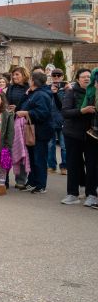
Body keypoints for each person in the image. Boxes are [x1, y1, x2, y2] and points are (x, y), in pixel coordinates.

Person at [17, 71, 55, 194]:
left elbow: (43, 113)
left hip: (40, 132)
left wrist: (27, 113)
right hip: (32, 132)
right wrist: (26, 95)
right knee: (32, 158)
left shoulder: (41, 95)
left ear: (33, 81)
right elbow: (22, 106)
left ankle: (41, 184)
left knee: (39, 159)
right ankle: (32, 182)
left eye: (30, 79)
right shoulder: (33, 93)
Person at [60, 69, 92, 205]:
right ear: (78, 79)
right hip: (73, 134)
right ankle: (72, 194)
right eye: (83, 77)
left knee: (92, 165)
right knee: (73, 164)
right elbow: (65, 112)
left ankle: (91, 193)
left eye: (89, 77)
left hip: (91, 135)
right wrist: (82, 111)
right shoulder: (71, 92)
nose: (86, 79)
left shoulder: (94, 93)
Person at [6, 67, 30, 188]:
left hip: (22, 122)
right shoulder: (10, 87)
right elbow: (5, 101)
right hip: (10, 119)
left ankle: (21, 180)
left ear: (24, 75)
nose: (14, 77)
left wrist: (18, 108)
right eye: (13, 75)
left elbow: (29, 104)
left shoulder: (28, 88)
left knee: (21, 149)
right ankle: (3, 179)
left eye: (17, 74)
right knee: (8, 148)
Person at [78, 68, 98, 208]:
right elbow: (83, 111)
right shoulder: (91, 94)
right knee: (91, 165)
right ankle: (91, 194)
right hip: (92, 135)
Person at [48, 69, 67, 175]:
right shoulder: (48, 89)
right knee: (51, 145)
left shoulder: (67, 89)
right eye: (54, 75)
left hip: (63, 121)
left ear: (62, 76)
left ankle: (64, 166)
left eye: (58, 75)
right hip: (51, 121)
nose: (56, 77)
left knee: (64, 146)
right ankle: (51, 166)